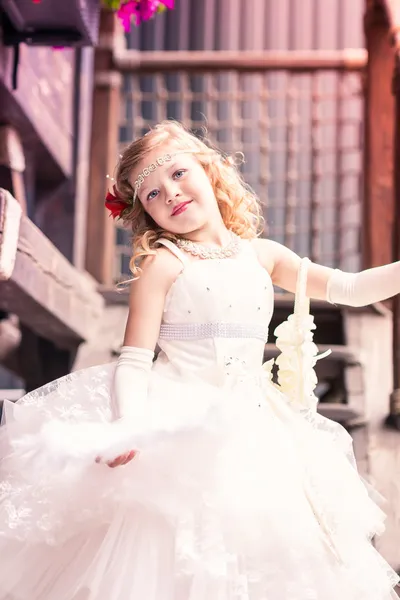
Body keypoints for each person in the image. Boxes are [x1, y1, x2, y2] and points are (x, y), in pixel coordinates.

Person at [0, 120, 400, 600]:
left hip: (257, 427)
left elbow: (350, 288)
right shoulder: (165, 264)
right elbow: (133, 360)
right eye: (150, 194)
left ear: (210, 170)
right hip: (181, 427)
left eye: (177, 174)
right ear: (144, 212)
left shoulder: (262, 256)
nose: (169, 193)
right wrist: (129, 426)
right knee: (186, 557)